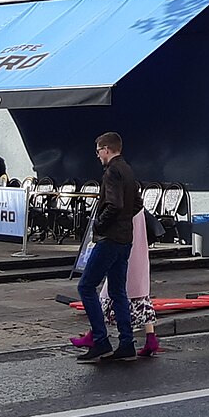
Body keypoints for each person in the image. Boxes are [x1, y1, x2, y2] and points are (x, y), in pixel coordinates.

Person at [76, 131, 142, 363]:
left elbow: (114, 204)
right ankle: (127, 342)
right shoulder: (128, 169)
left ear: (106, 149)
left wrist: (99, 225)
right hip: (125, 238)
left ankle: (100, 340)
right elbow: (137, 204)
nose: (97, 156)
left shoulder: (112, 171)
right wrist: (124, 221)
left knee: (86, 287)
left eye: (98, 151)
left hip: (110, 239)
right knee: (117, 291)